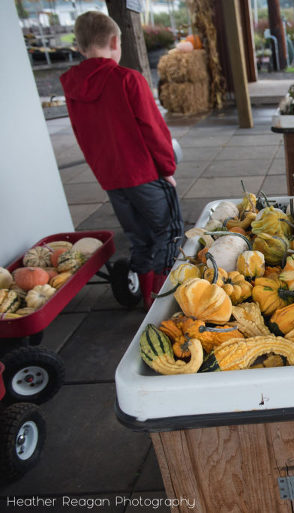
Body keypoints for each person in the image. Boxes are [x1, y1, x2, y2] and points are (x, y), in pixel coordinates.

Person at [60, 11, 183, 311]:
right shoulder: (128, 79)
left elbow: (82, 135)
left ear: (79, 46)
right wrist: (167, 169)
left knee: (139, 238)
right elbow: (153, 129)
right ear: (116, 42)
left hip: (112, 179)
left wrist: (103, 172)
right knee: (168, 234)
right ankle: (160, 305)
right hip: (145, 174)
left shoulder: (72, 87)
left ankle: (144, 297)